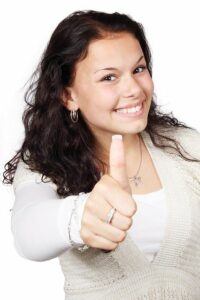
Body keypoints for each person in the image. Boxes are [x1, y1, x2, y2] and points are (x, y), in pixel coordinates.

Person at [3, 9, 200, 299]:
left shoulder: (186, 147)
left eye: (138, 69)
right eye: (109, 77)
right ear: (69, 95)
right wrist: (79, 217)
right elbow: (28, 232)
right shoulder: (45, 162)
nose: (134, 89)